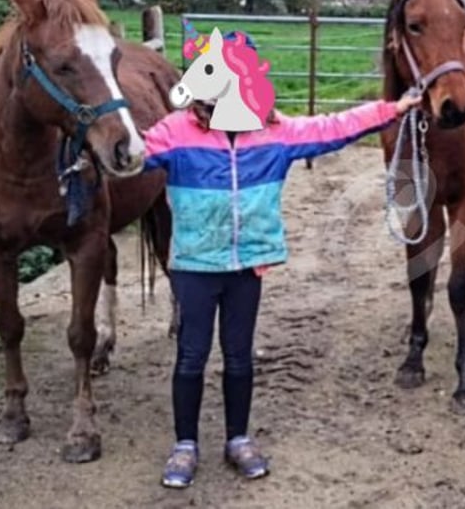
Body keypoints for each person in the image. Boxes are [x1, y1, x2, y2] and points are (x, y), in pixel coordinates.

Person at [143, 31, 421, 488]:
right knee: (191, 356)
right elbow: (129, 154)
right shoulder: (175, 132)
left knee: (238, 356)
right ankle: (185, 446)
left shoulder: (276, 134)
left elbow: (334, 127)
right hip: (194, 264)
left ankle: (238, 439)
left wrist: (392, 110)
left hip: (246, 266)